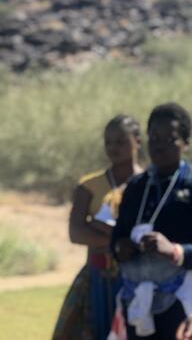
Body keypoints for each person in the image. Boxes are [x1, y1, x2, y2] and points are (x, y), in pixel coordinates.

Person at [111, 102, 192, 340]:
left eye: (170, 138)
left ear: (185, 143)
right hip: (136, 299)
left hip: (182, 302)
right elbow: (116, 238)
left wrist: (177, 252)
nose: (159, 145)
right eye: (154, 137)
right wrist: (120, 248)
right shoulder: (136, 187)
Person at [53, 114, 143, 340]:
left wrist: (100, 228)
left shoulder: (149, 184)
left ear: (138, 141)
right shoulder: (88, 186)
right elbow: (76, 233)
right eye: (108, 142)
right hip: (96, 279)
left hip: (139, 278)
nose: (113, 148)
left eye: (121, 141)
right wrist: (120, 240)